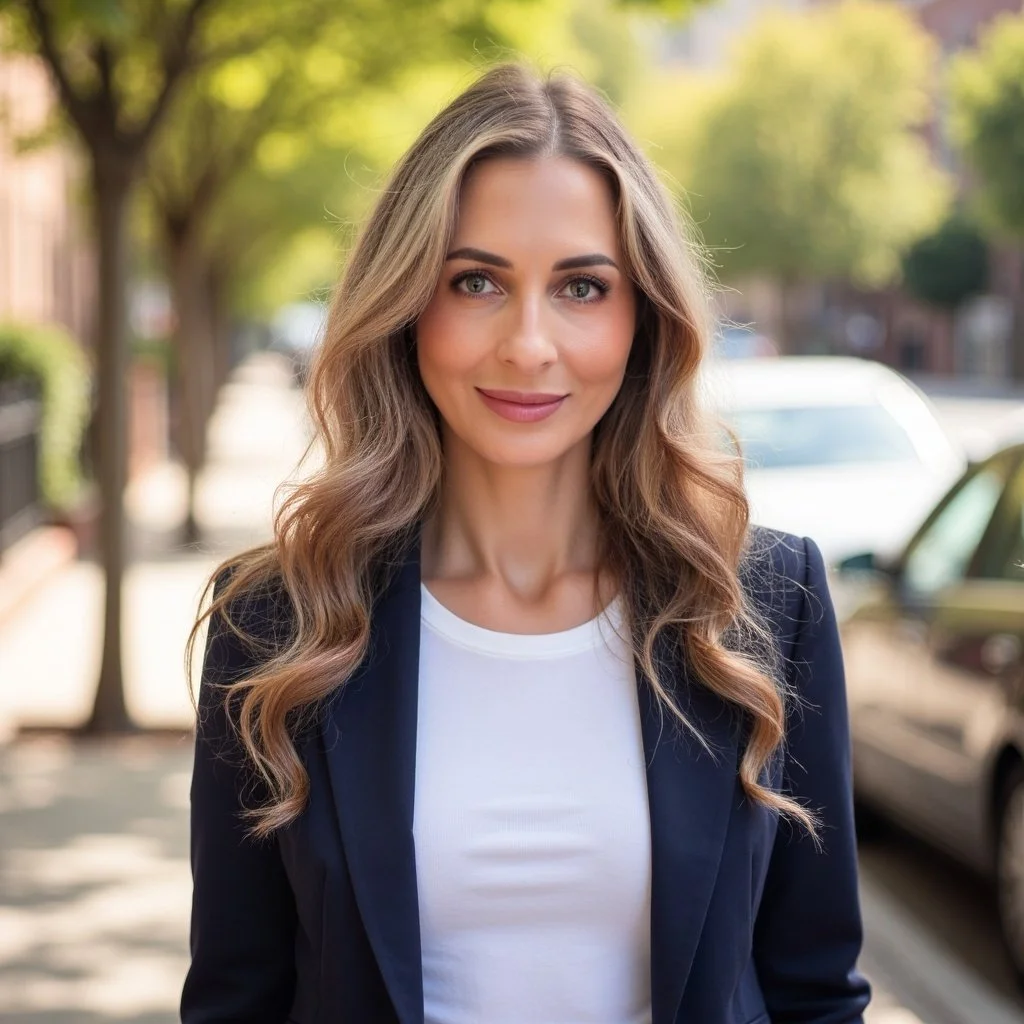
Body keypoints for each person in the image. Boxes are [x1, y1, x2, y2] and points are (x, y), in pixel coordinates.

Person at [180, 62, 872, 1024]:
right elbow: (235, 1001)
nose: (529, 343)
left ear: (645, 317)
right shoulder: (278, 624)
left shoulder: (759, 601)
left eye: (583, 287)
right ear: (408, 302)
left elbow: (815, 992)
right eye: (476, 282)